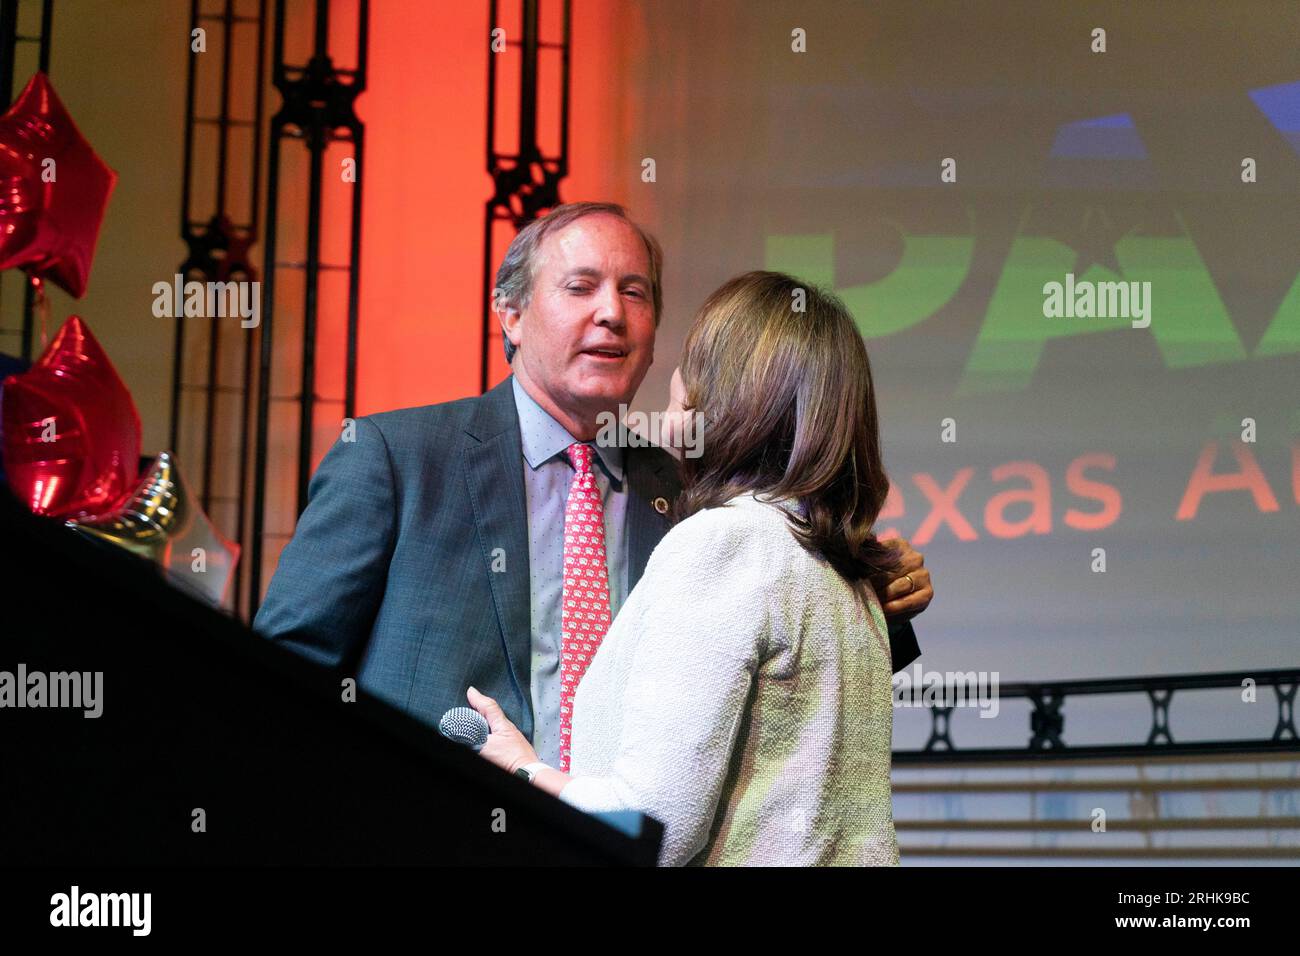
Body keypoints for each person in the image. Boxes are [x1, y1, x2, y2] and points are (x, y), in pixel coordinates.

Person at [254, 203, 933, 775]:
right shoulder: (395, 460)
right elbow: (282, 674)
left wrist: (880, 601)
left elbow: (788, 670)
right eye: (581, 287)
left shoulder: (695, 495)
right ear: (511, 316)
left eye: (635, 292)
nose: (612, 312)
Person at [470, 270, 905, 865]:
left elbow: (655, 826)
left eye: (696, 358)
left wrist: (525, 769)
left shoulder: (725, 543)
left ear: (727, 392)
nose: (675, 378)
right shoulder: (842, 569)